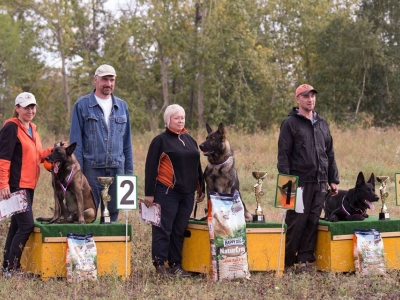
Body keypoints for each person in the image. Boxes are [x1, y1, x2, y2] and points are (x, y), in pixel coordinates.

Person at [277, 84, 339, 273]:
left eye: (312, 96)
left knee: (313, 220)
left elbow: (329, 153)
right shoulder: (290, 123)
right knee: (297, 222)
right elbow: (283, 155)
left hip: (320, 182)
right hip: (298, 183)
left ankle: (304, 261)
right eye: (305, 96)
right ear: (298, 99)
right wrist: (286, 187)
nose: (310, 99)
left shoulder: (322, 123)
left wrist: (333, 179)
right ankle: (287, 262)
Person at [144, 104, 205, 277]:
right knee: (164, 228)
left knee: (179, 229)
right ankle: (160, 264)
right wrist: (149, 193)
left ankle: (176, 265)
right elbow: (150, 167)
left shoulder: (190, 140)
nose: (180, 121)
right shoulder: (160, 141)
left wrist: (201, 187)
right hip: (167, 192)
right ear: (168, 120)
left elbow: (197, 165)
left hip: (187, 193)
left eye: (182, 117)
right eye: (176, 118)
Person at [69, 64, 133, 222]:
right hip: (91, 169)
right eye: (105, 79)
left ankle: (110, 247)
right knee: (87, 214)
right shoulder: (82, 105)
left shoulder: (122, 107)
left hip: (117, 168)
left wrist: (129, 175)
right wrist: (78, 173)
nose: (109, 84)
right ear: (95, 80)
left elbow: (127, 144)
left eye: (112, 80)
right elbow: (76, 143)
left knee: (112, 217)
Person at [0, 92, 53, 276]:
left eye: (33, 107)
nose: (30, 110)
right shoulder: (11, 128)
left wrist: (54, 150)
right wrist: (3, 184)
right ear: (17, 108)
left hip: (29, 185)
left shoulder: (33, 129)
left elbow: (37, 156)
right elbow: (3, 158)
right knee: (26, 226)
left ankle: (7, 266)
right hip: (16, 186)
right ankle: (12, 269)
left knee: (16, 226)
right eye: (26, 107)